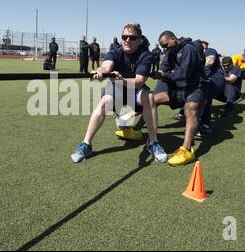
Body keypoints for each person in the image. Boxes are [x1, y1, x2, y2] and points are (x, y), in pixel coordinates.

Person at [71, 24, 167, 164]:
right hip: (116, 93)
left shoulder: (145, 55)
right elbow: (106, 66)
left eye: (132, 37)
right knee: (104, 102)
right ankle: (86, 144)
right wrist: (100, 72)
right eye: (124, 37)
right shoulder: (115, 52)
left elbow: (139, 82)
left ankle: (153, 143)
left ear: (140, 40)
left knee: (149, 97)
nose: (127, 40)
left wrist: (121, 80)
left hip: (134, 93)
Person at [150, 31, 207, 167]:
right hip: (181, 89)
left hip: (197, 88)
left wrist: (164, 76)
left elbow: (184, 73)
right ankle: (136, 130)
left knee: (190, 109)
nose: (165, 48)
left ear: (173, 39)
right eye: (162, 46)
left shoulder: (189, 49)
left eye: (166, 45)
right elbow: (164, 67)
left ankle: (186, 150)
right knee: (151, 99)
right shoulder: (170, 51)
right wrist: (159, 73)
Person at [197, 41, 225, 136]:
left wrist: (193, 70)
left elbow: (210, 61)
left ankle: (205, 126)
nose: (203, 49)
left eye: (204, 47)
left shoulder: (210, 51)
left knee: (206, 92)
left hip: (217, 78)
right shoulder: (195, 55)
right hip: (205, 78)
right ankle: (183, 113)